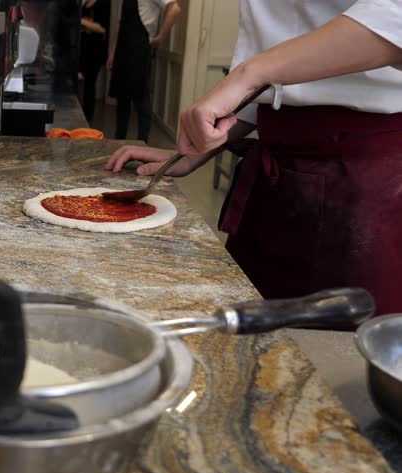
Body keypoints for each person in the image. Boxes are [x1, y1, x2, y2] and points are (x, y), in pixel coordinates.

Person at [105, 1, 402, 318]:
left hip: (361, 180)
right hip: (274, 182)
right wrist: (199, 149)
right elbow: (272, 63)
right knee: (247, 332)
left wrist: (250, 73)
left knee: (332, 351)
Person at [107, 0, 181, 142]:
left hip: (139, 47)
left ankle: (142, 142)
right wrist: (113, 53)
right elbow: (121, 24)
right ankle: (118, 140)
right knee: (122, 98)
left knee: (141, 98)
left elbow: (175, 8)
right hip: (123, 48)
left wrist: (160, 37)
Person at [79, 0, 110, 121]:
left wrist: (81, 21)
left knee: (90, 84)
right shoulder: (84, 4)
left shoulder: (103, 4)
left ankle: (87, 118)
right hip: (81, 49)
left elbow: (102, 28)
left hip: (95, 52)